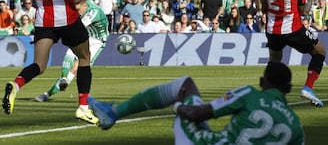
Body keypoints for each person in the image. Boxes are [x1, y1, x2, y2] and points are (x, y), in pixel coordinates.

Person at [1, 0, 99, 124]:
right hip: (65, 15)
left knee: (39, 64)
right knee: (84, 58)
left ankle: (16, 84)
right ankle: (83, 107)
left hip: (43, 16)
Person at [88, 62, 304, 145]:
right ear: (288, 89)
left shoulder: (250, 94)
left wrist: (178, 107)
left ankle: (114, 112)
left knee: (185, 85)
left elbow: (198, 115)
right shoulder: (295, 125)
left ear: (261, 82)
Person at [256, 0, 326, 107]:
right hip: (293, 28)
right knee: (320, 52)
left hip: (272, 30)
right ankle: (308, 87)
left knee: (274, 60)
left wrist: (266, 12)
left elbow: (260, 3)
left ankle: (266, 94)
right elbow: (304, 12)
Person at [36, 0, 109, 102]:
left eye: (78, 10)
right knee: (70, 52)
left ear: (84, 6)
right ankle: (64, 79)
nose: (77, 12)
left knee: (76, 67)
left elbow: (78, 26)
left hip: (97, 41)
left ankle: (48, 93)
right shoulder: (84, 4)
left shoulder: (94, 13)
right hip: (88, 35)